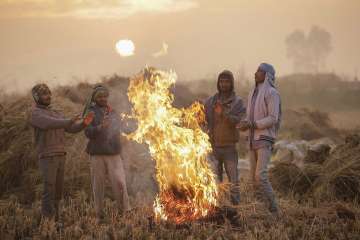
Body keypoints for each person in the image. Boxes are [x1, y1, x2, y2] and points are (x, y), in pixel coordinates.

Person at [29, 83, 93, 220]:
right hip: (47, 156)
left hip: (60, 154)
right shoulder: (35, 113)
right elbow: (49, 123)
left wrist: (83, 124)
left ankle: (56, 220)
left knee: (58, 191)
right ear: (36, 97)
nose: (48, 96)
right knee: (49, 189)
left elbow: (71, 129)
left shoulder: (56, 112)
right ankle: (48, 221)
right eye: (44, 94)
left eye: (48, 93)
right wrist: (68, 120)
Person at [237, 63, 281, 214]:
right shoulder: (252, 93)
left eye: (259, 71)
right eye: (256, 71)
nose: (255, 73)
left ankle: (274, 208)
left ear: (267, 75)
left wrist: (254, 124)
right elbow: (250, 117)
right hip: (252, 139)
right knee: (253, 179)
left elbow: (273, 118)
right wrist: (245, 124)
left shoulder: (272, 92)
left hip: (264, 138)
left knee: (260, 176)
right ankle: (259, 209)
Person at [84, 85, 130, 222]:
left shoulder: (113, 112)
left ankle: (125, 212)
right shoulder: (89, 113)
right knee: (98, 186)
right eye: (100, 96)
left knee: (120, 183)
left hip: (114, 154)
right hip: (97, 154)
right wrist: (100, 127)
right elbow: (87, 132)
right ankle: (99, 215)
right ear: (95, 98)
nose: (103, 99)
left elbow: (123, 129)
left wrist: (135, 125)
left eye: (105, 96)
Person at [204, 70, 246, 205]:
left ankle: (236, 207)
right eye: (221, 81)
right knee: (216, 180)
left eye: (227, 81)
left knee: (233, 180)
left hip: (229, 148)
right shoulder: (211, 101)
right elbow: (204, 120)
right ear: (218, 83)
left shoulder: (237, 102)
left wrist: (224, 114)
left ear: (231, 83)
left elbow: (239, 122)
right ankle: (218, 205)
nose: (224, 84)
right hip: (214, 147)